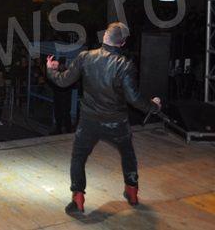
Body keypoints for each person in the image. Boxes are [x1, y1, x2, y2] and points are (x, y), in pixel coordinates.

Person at [46, 22, 161, 216]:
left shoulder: (85, 57)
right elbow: (134, 99)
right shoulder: (125, 65)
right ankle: (132, 192)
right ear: (122, 43)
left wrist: (51, 69)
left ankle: (78, 199)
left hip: (89, 121)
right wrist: (154, 106)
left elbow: (63, 81)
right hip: (117, 122)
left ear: (104, 36)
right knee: (128, 154)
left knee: (78, 157)